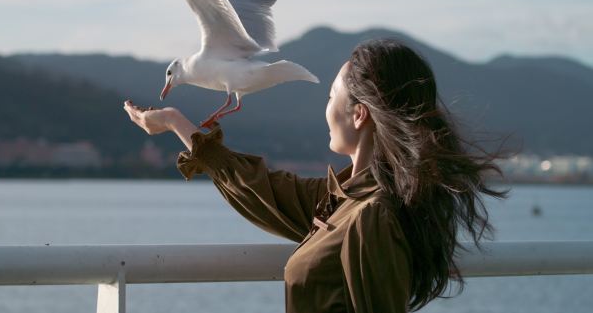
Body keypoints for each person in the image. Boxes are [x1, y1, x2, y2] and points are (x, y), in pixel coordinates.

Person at [123, 39, 508, 313]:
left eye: (330, 98)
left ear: (359, 114)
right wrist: (175, 122)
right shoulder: (344, 202)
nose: (325, 109)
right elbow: (263, 191)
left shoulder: (369, 216)